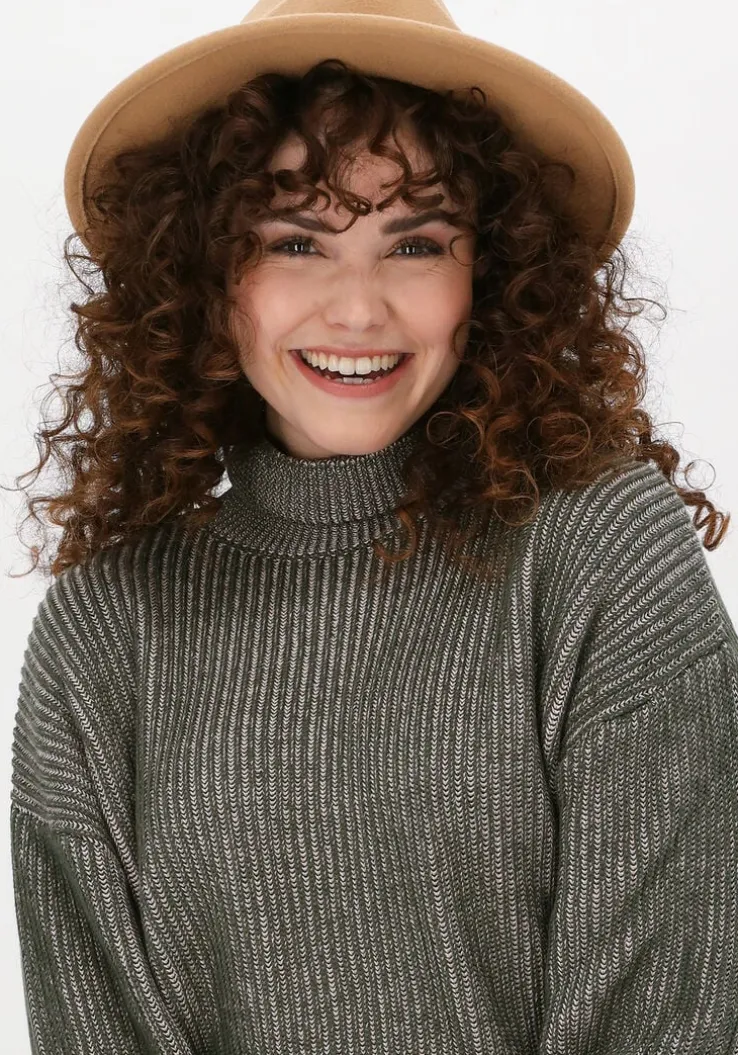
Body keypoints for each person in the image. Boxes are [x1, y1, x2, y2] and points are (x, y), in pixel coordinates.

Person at [8, 0, 738, 1052]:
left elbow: (675, 1021)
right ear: (206, 272)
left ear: (492, 270)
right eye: (296, 241)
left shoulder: (597, 553)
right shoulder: (107, 629)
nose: (358, 310)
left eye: (416, 242)